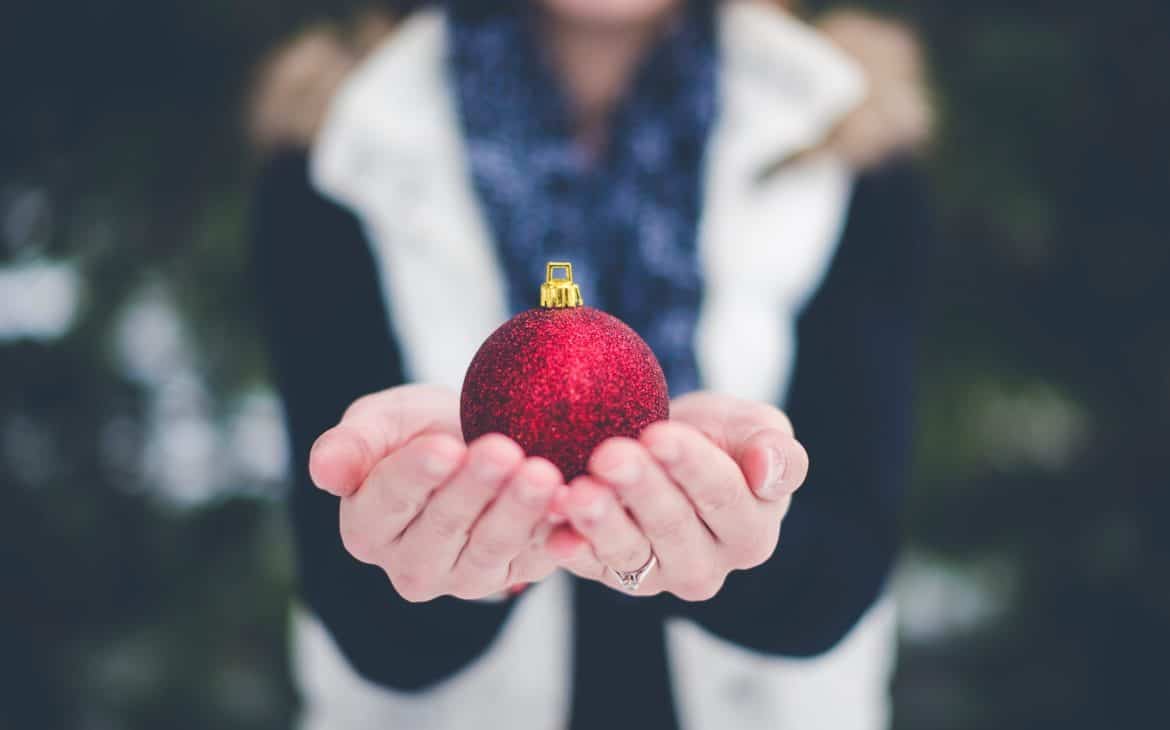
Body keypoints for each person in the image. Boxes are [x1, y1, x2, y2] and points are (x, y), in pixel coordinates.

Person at [249, 1, 932, 728]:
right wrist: (462, 561)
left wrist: (727, 543)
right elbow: (362, 613)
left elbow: (851, 547)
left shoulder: (847, 122)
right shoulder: (339, 134)